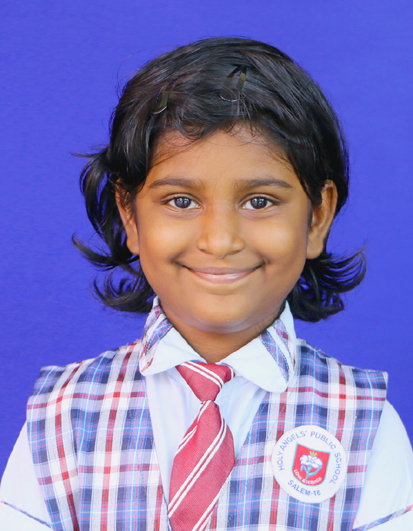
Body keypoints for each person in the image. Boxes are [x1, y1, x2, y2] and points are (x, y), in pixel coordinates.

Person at [1, 37, 412, 531]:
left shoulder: (366, 426)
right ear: (129, 214)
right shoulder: (60, 420)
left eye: (260, 202)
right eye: (181, 201)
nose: (219, 241)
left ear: (317, 217)